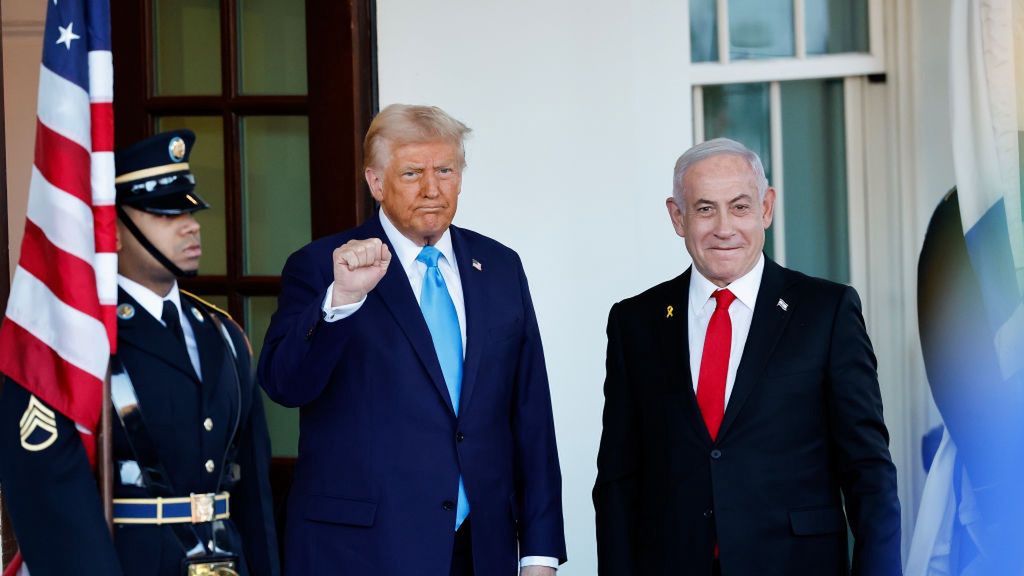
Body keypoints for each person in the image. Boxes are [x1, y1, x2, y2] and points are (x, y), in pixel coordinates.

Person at [258, 104, 566, 575]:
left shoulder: (500, 267)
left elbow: (531, 413)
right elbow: (285, 384)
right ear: (376, 182)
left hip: (481, 549)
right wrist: (341, 299)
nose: (431, 188)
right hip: (363, 552)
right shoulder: (323, 266)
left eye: (445, 170)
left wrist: (540, 552)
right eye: (412, 172)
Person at [592, 138, 901, 575]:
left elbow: (868, 470)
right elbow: (618, 481)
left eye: (739, 207)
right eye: (704, 209)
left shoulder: (827, 312)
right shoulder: (635, 322)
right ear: (677, 217)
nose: (723, 227)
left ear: (767, 209)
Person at [0, 130, 279, 575]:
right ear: (111, 233)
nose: (190, 224)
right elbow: (46, 492)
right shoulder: (75, 342)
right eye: (164, 213)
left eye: (189, 210)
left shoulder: (223, 335)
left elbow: (253, 495)